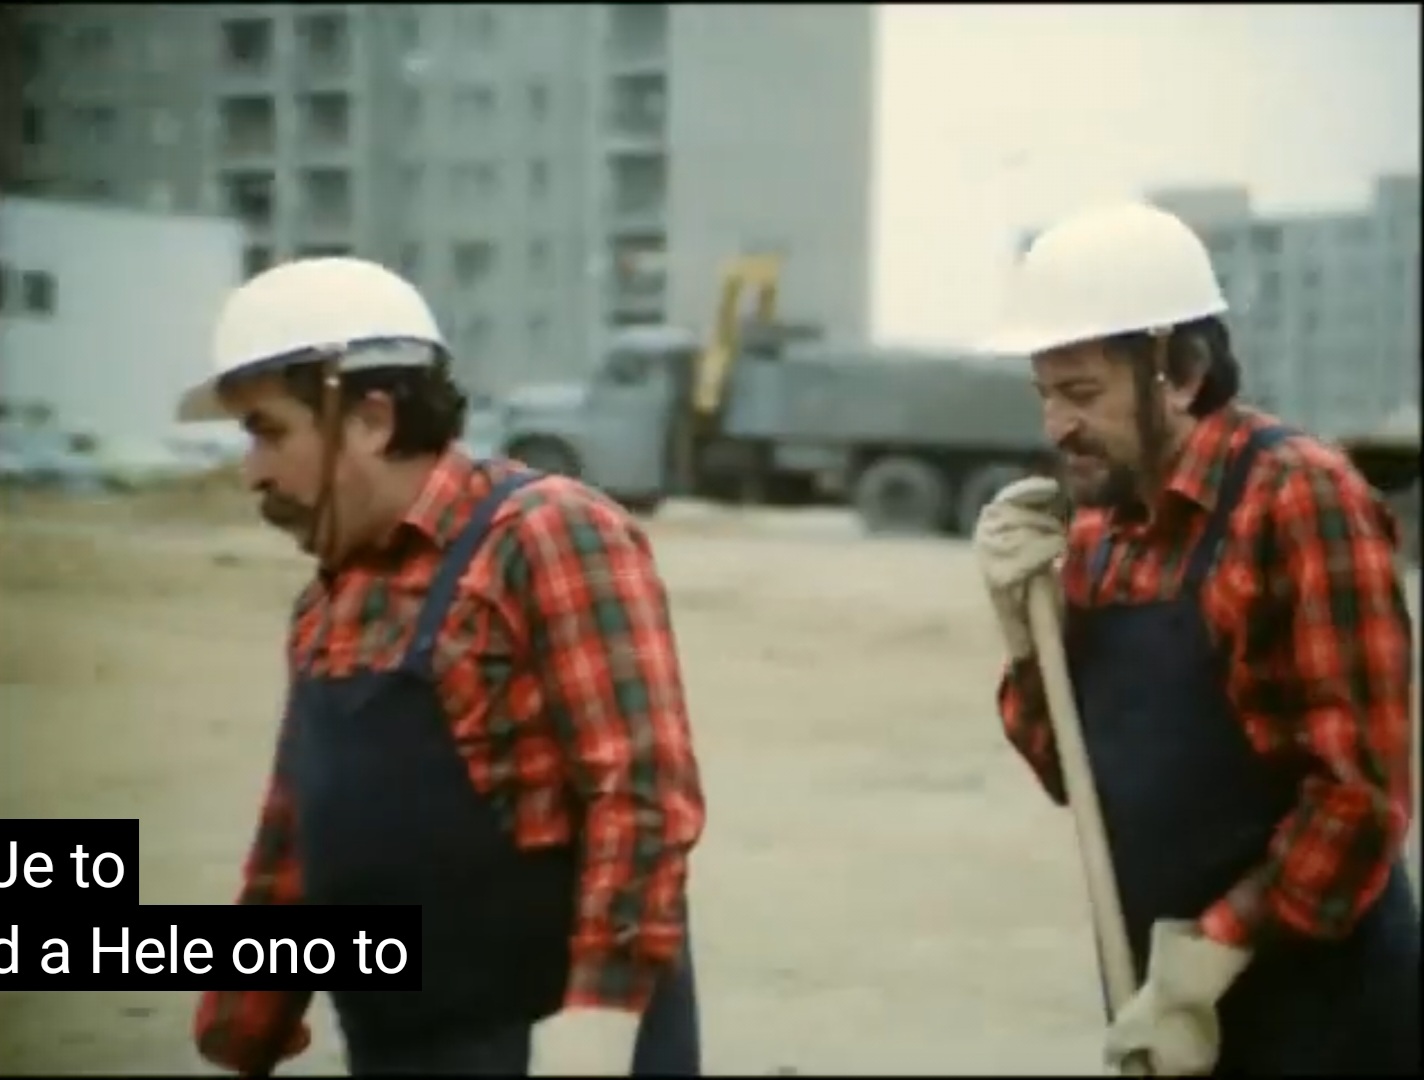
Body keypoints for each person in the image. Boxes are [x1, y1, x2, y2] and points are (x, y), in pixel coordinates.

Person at [180, 257, 707, 1076]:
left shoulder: (545, 534)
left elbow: (640, 795)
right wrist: (240, 1027)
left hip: (549, 1050)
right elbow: (297, 835)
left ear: (370, 419)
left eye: (269, 431)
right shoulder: (328, 603)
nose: (252, 471)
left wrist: (597, 1029)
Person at [972, 202, 1418, 1076]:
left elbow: (1359, 800)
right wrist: (1025, 635)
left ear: (1178, 371)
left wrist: (1208, 960)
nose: (1055, 427)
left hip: (1324, 1015)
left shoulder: (1298, 499)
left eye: (1081, 394)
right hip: (1168, 1014)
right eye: (1044, 395)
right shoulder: (1102, 534)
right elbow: (1076, 775)